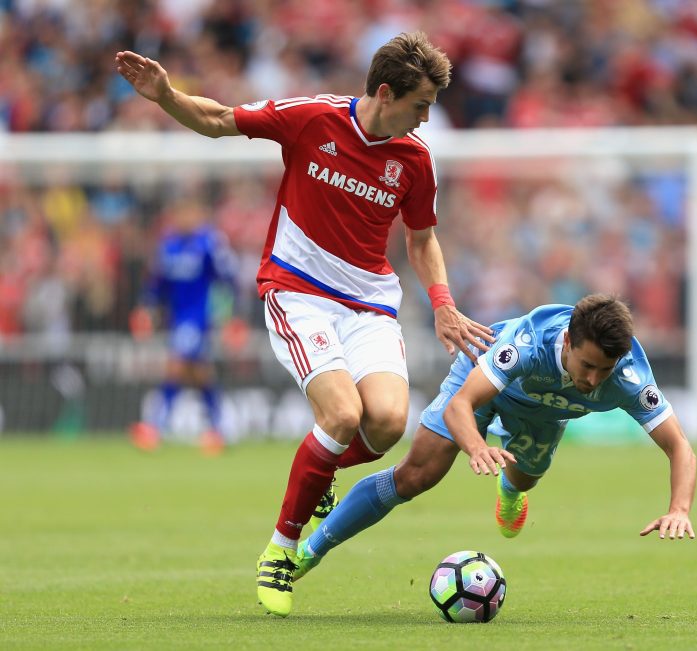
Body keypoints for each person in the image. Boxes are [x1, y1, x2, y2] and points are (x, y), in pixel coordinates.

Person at [116, 31, 493, 617]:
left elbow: (421, 240)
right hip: (298, 291)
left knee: (388, 423)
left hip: (370, 302)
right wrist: (167, 95)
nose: (425, 120)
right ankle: (281, 550)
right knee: (342, 415)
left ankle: (319, 477)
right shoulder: (311, 118)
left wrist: (443, 302)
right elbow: (218, 119)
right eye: (420, 106)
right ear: (386, 92)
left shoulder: (415, 159)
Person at [293, 294, 697, 585]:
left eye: (603, 370)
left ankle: (511, 489)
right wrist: (476, 446)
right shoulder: (526, 344)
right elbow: (461, 406)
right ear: (568, 342)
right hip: (484, 384)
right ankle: (309, 551)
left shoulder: (629, 377)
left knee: (524, 478)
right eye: (587, 365)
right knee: (417, 475)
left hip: (548, 413)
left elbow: (679, 446)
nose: (593, 381)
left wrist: (679, 509)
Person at [129, 195, 240, 456]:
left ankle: (154, 428)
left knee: (176, 365)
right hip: (177, 317)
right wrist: (146, 309)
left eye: (189, 213)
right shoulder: (168, 246)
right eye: (180, 214)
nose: (184, 219)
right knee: (199, 374)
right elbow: (157, 285)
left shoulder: (209, 243)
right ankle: (217, 429)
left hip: (200, 316)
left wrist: (231, 314)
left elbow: (228, 278)